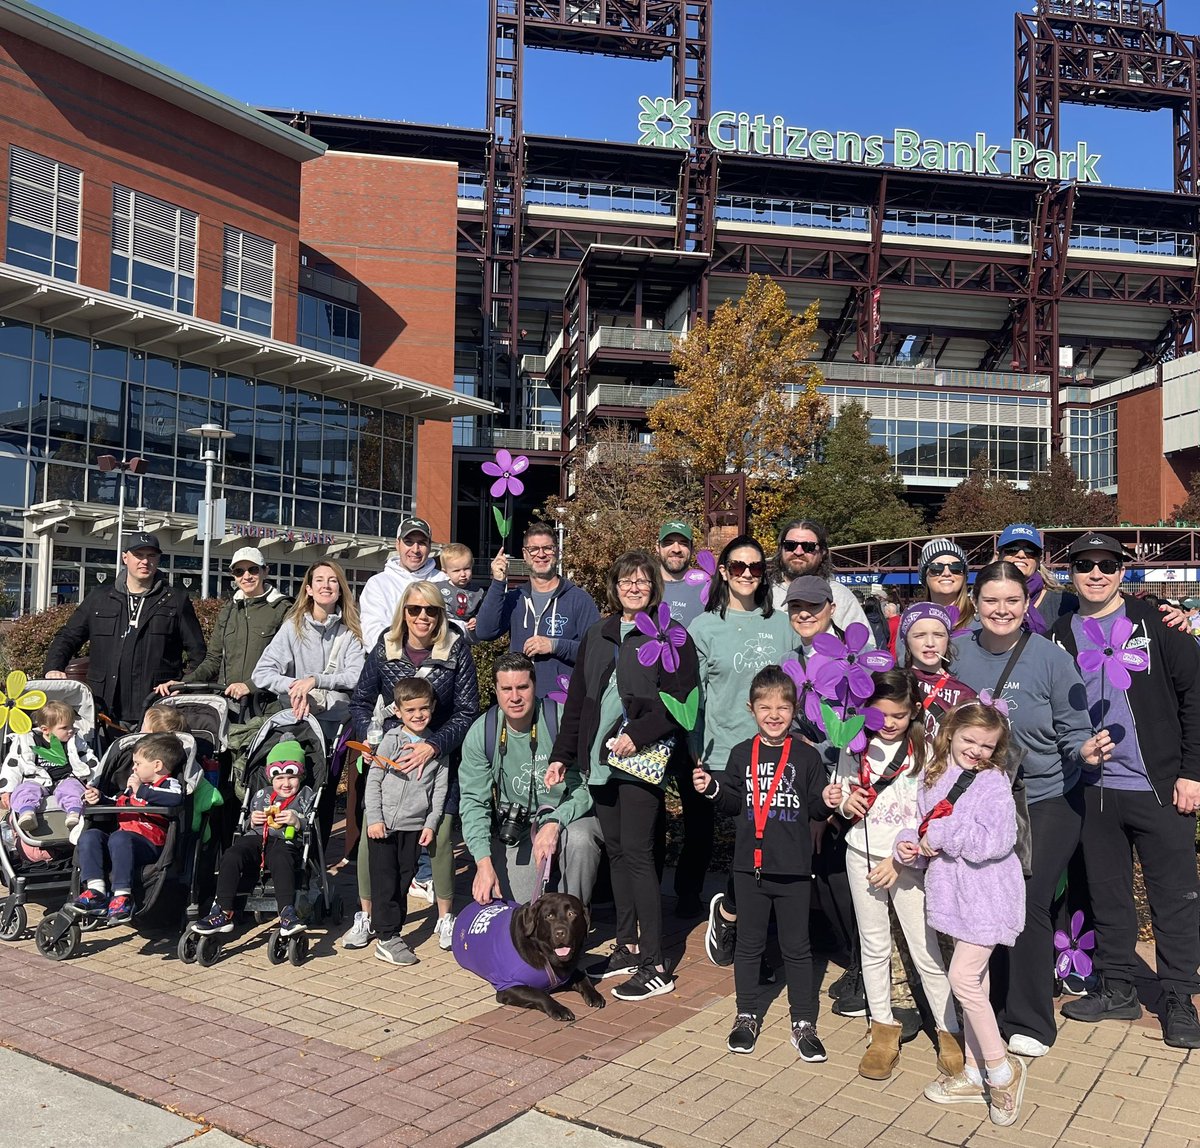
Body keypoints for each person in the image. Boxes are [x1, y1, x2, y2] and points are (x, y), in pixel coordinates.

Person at [950, 560, 1113, 1057]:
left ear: (1027, 605)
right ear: (975, 603)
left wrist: (1084, 751)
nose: (1002, 609)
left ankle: (1031, 1021)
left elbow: (1074, 726)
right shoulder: (957, 653)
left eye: (1013, 601)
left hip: (1045, 797)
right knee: (982, 897)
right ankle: (987, 1005)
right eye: (992, 600)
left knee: (1027, 897)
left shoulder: (1051, 658)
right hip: (981, 798)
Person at [1049, 532, 1200, 1048]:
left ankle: (1179, 996)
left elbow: (1194, 696)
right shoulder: (1060, 632)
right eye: (1085, 564)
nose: (1096, 573)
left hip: (1158, 785)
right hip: (1093, 788)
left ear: (1123, 570)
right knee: (1109, 894)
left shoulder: (1156, 622)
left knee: (1175, 897)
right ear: (1070, 571)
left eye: (1107, 564)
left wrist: (1192, 771)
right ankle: (1118, 987)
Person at [549, 549, 700, 1002]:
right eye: (625, 580)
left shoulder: (672, 636)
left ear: (655, 587)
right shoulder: (599, 633)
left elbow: (682, 702)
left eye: (642, 580)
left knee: (637, 855)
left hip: (640, 762)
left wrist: (639, 733)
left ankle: (656, 964)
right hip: (600, 762)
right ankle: (627, 945)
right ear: (614, 588)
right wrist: (562, 755)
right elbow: (578, 700)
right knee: (616, 853)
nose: (633, 587)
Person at [693, 666, 840, 1062]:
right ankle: (745, 1014)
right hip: (749, 868)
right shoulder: (742, 753)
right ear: (751, 709)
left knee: (797, 948)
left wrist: (827, 798)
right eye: (765, 707)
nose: (774, 715)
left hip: (793, 869)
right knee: (749, 946)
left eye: (783, 707)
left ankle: (804, 1022)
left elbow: (812, 805)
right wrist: (711, 790)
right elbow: (732, 803)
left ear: (794, 711)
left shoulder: (806, 756)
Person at [895, 702, 1027, 1127]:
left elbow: (998, 840)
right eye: (969, 740)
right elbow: (923, 827)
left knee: (962, 978)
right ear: (950, 733)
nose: (976, 750)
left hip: (988, 894)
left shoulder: (993, 782)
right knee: (978, 985)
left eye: (987, 745)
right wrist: (908, 845)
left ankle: (1002, 1070)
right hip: (954, 895)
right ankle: (974, 1072)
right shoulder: (933, 774)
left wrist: (942, 834)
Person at [829, 669, 962, 1082]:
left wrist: (901, 860)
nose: (888, 723)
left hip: (907, 861)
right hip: (861, 856)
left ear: (914, 713)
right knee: (874, 945)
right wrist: (844, 803)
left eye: (899, 716)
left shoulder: (926, 750)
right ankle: (882, 1028)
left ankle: (950, 1031)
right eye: (880, 714)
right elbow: (843, 795)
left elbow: (934, 814)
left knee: (926, 950)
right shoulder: (854, 743)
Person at [343, 580, 479, 952]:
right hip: (391, 759)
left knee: (441, 836)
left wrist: (433, 746)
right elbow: (361, 700)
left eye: (431, 610)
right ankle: (367, 915)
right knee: (376, 839)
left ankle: (446, 916)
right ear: (404, 611)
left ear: (441, 614)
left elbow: (468, 710)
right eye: (415, 609)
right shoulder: (386, 646)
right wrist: (372, 737)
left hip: (438, 757)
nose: (423, 617)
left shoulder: (456, 650)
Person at [690, 535, 795, 940]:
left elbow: (796, 689)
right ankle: (739, 921)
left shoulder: (782, 623)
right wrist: (694, 753)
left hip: (776, 751)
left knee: (769, 843)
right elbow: (693, 700)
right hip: (726, 755)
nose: (747, 574)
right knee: (747, 843)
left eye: (755, 568)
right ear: (723, 572)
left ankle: (740, 920)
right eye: (738, 567)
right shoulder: (704, 627)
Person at [459, 653, 601, 909]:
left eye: (522, 687)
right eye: (507, 689)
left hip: (567, 818)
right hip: (519, 829)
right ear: (496, 690)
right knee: (521, 911)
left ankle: (574, 917)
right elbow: (473, 803)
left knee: (581, 839)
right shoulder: (482, 733)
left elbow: (586, 785)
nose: (515, 697)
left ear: (534, 685)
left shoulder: (560, 720)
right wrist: (482, 862)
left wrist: (555, 821)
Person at [43, 533, 206, 730]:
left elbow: (199, 652)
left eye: (151, 556)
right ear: (125, 557)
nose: (145, 561)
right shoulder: (100, 598)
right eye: (138, 555)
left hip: (156, 709)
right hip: (103, 708)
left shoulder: (175, 600)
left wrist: (183, 683)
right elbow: (68, 636)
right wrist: (54, 667)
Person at [191, 739, 315, 939]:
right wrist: (252, 820)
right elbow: (247, 822)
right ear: (270, 778)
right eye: (279, 778)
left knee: (282, 858)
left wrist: (297, 820)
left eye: (291, 777)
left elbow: (310, 825)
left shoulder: (306, 795)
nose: (285, 783)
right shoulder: (261, 795)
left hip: (285, 841)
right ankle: (222, 910)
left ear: (301, 775)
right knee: (232, 854)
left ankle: (286, 912)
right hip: (256, 837)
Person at [364, 679, 449, 967]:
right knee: (385, 880)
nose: (417, 715)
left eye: (423, 708)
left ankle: (392, 930)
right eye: (410, 709)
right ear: (398, 711)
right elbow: (374, 778)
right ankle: (387, 937)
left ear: (433, 708)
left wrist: (431, 823)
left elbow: (439, 790)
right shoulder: (391, 740)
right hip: (383, 826)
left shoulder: (435, 747)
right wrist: (374, 818)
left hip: (414, 827)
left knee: (403, 878)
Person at [475, 522, 600, 699]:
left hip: (562, 702)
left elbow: (596, 652)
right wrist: (498, 582)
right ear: (525, 554)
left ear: (557, 551)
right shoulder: (515, 598)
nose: (541, 554)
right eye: (534, 549)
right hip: (520, 702)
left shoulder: (579, 599)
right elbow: (484, 631)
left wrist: (555, 645)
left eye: (547, 548)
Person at [71, 732, 186, 923]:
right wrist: (100, 798)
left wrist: (142, 790)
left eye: (138, 764)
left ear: (157, 765)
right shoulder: (133, 785)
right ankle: (96, 890)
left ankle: (123, 896)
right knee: (90, 836)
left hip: (149, 844)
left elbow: (175, 799)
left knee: (119, 838)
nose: (133, 768)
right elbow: (119, 802)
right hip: (123, 841)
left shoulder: (168, 784)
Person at [157, 547, 290, 709]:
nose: (246, 576)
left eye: (253, 570)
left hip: (267, 704)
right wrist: (184, 683)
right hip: (229, 703)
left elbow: (288, 662)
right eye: (239, 572)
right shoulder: (228, 611)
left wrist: (250, 685)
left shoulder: (283, 609)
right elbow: (213, 659)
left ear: (265, 571)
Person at [252, 559, 365, 734]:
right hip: (297, 721)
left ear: (340, 590)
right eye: (319, 580)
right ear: (309, 590)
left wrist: (316, 680)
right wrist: (297, 686)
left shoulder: (351, 632)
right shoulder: (292, 628)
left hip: (339, 725)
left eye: (333, 580)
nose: (326, 585)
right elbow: (262, 673)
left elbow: (356, 676)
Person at [0, 700, 97, 829]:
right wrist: (7, 790)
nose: (71, 730)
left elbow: (89, 759)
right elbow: (14, 765)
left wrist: (93, 784)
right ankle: (27, 813)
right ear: (45, 729)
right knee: (24, 790)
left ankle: (74, 813)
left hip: (65, 779)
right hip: (38, 780)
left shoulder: (74, 741)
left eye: (72, 726)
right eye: (64, 728)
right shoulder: (28, 740)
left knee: (73, 787)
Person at [358, 517, 449, 651]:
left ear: (430, 546)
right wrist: (404, 656)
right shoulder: (378, 583)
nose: (415, 549)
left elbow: (455, 625)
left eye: (422, 543)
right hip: (391, 664)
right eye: (408, 542)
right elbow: (372, 632)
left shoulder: (443, 580)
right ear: (397, 544)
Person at [768, 519, 870, 637]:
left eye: (808, 547)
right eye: (790, 545)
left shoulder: (840, 595)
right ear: (780, 550)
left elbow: (865, 647)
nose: (798, 551)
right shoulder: (765, 593)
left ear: (823, 553)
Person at [899, 603, 977, 741]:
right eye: (919, 635)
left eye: (938, 635)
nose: (930, 642)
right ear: (906, 641)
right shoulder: (896, 684)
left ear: (948, 639)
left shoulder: (966, 695)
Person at [995, 524, 1077, 633]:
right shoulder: (984, 602)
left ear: (1039, 560)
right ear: (998, 557)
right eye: (1012, 549)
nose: (1021, 554)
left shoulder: (1066, 603)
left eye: (1030, 550)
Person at [918, 539, 975, 631]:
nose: (947, 573)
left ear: (964, 575)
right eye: (936, 568)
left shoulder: (982, 622)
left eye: (956, 567)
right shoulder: (911, 624)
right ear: (925, 576)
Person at [657, 520, 706, 627]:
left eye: (683, 543)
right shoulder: (644, 585)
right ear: (658, 548)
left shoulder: (707, 588)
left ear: (692, 549)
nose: (676, 549)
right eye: (668, 543)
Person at [438, 542, 485, 640]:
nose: (463, 574)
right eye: (456, 571)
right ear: (445, 571)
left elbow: (482, 612)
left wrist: (476, 619)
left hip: (466, 637)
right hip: (443, 634)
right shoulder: (438, 589)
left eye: (467, 569)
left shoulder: (478, 592)